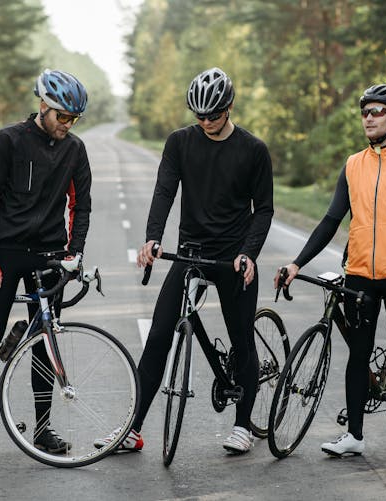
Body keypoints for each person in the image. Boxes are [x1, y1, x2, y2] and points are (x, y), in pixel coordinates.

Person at [95, 67, 274, 454]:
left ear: (228, 107)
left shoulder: (253, 150)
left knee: (242, 338)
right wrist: (153, 238)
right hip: (191, 251)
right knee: (159, 335)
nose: (206, 122)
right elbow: (164, 191)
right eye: (199, 116)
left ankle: (243, 424)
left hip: (233, 257)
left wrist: (250, 253)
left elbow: (264, 210)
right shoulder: (179, 143)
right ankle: (132, 428)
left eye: (213, 115)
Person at [274, 84, 386, 467]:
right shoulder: (353, 165)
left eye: (378, 111)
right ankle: (355, 436)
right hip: (360, 274)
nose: (369, 118)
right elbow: (331, 221)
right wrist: (298, 263)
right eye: (365, 111)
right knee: (358, 356)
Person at [0, 69, 92, 462]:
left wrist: (74, 252)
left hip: (49, 254)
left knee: (45, 345)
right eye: (62, 116)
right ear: (43, 106)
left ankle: (44, 429)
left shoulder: (75, 150)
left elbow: (81, 205)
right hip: (7, 251)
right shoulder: (7, 141)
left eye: (73, 119)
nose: (67, 125)